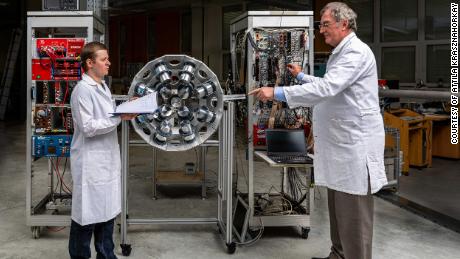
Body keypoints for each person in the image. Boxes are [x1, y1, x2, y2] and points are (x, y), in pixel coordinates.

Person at [249, 2, 387, 259]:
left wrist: (276, 92)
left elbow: (327, 89)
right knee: (339, 212)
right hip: (341, 148)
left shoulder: (356, 52)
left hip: (354, 147)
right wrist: (301, 77)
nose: (321, 31)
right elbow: (330, 84)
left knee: (354, 217)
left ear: (344, 24)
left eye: (325, 24)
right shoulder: (342, 52)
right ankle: (338, 255)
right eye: (320, 25)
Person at [69, 42, 135, 259]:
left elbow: (108, 112)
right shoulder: (82, 91)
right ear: (90, 63)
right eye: (103, 59)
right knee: (86, 218)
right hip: (90, 165)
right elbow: (88, 127)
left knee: (107, 213)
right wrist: (119, 117)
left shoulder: (103, 86)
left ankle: (107, 255)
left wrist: (127, 105)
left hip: (106, 163)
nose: (109, 63)